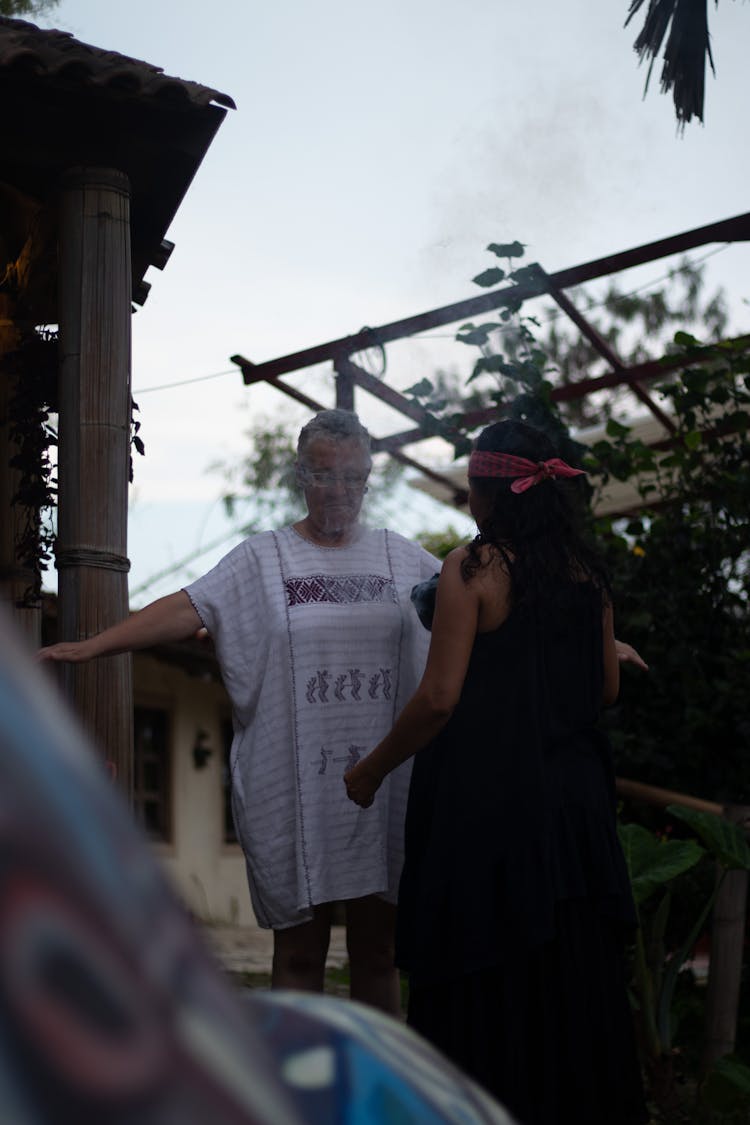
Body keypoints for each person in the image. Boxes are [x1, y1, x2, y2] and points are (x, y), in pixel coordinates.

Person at [38, 409, 438, 1016]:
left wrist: (591, 637)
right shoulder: (262, 560)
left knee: (378, 955)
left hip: (385, 784)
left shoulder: (404, 561)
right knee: (300, 955)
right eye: (325, 476)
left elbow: (478, 608)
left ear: (368, 479)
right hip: (297, 785)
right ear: (301, 476)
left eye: (353, 479)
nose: (339, 491)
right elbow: (188, 606)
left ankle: (370, 1103)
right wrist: (94, 645)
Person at [344, 419, 648, 1124]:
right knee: (572, 984)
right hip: (575, 814)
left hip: (490, 808)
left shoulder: (472, 568)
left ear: (487, 490)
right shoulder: (588, 575)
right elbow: (606, 690)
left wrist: (371, 771)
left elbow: (439, 696)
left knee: (487, 973)